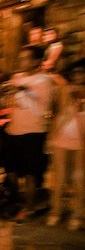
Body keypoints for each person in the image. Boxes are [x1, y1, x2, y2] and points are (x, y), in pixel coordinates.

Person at [1, 46, 54, 221]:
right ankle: (15, 203)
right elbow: (8, 102)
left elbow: (41, 110)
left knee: (30, 174)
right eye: (20, 58)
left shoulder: (44, 81)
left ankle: (29, 208)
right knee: (11, 172)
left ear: (37, 61)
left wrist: (22, 92)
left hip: (33, 132)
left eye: (25, 58)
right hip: (13, 131)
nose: (21, 61)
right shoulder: (16, 78)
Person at [46, 59, 84, 230]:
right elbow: (56, 113)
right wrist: (50, 138)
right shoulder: (63, 90)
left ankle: (78, 213)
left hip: (81, 140)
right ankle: (56, 211)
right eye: (75, 73)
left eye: (81, 72)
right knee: (59, 178)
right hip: (62, 137)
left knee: (79, 178)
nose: (78, 76)